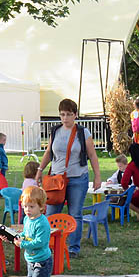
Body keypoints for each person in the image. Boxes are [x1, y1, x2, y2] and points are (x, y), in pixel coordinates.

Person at [34, 98, 102, 257]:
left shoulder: (82, 132)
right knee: (51, 213)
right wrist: (39, 169)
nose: (65, 118)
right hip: (56, 180)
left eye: (69, 114)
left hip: (77, 178)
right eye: (62, 114)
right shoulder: (55, 131)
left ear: (75, 115)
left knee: (75, 214)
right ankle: (48, 245)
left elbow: (92, 155)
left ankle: (73, 248)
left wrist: (97, 176)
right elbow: (49, 153)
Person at [5, 186, 53, 277]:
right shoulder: (27, 220)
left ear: (41, 207)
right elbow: (26, 235)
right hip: (30, 260)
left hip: (42, 261)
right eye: (25, 206)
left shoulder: (42, 223)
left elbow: (40, 242)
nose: (27, 210)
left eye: (31, 207)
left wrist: (23, 244)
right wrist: (14, 237)